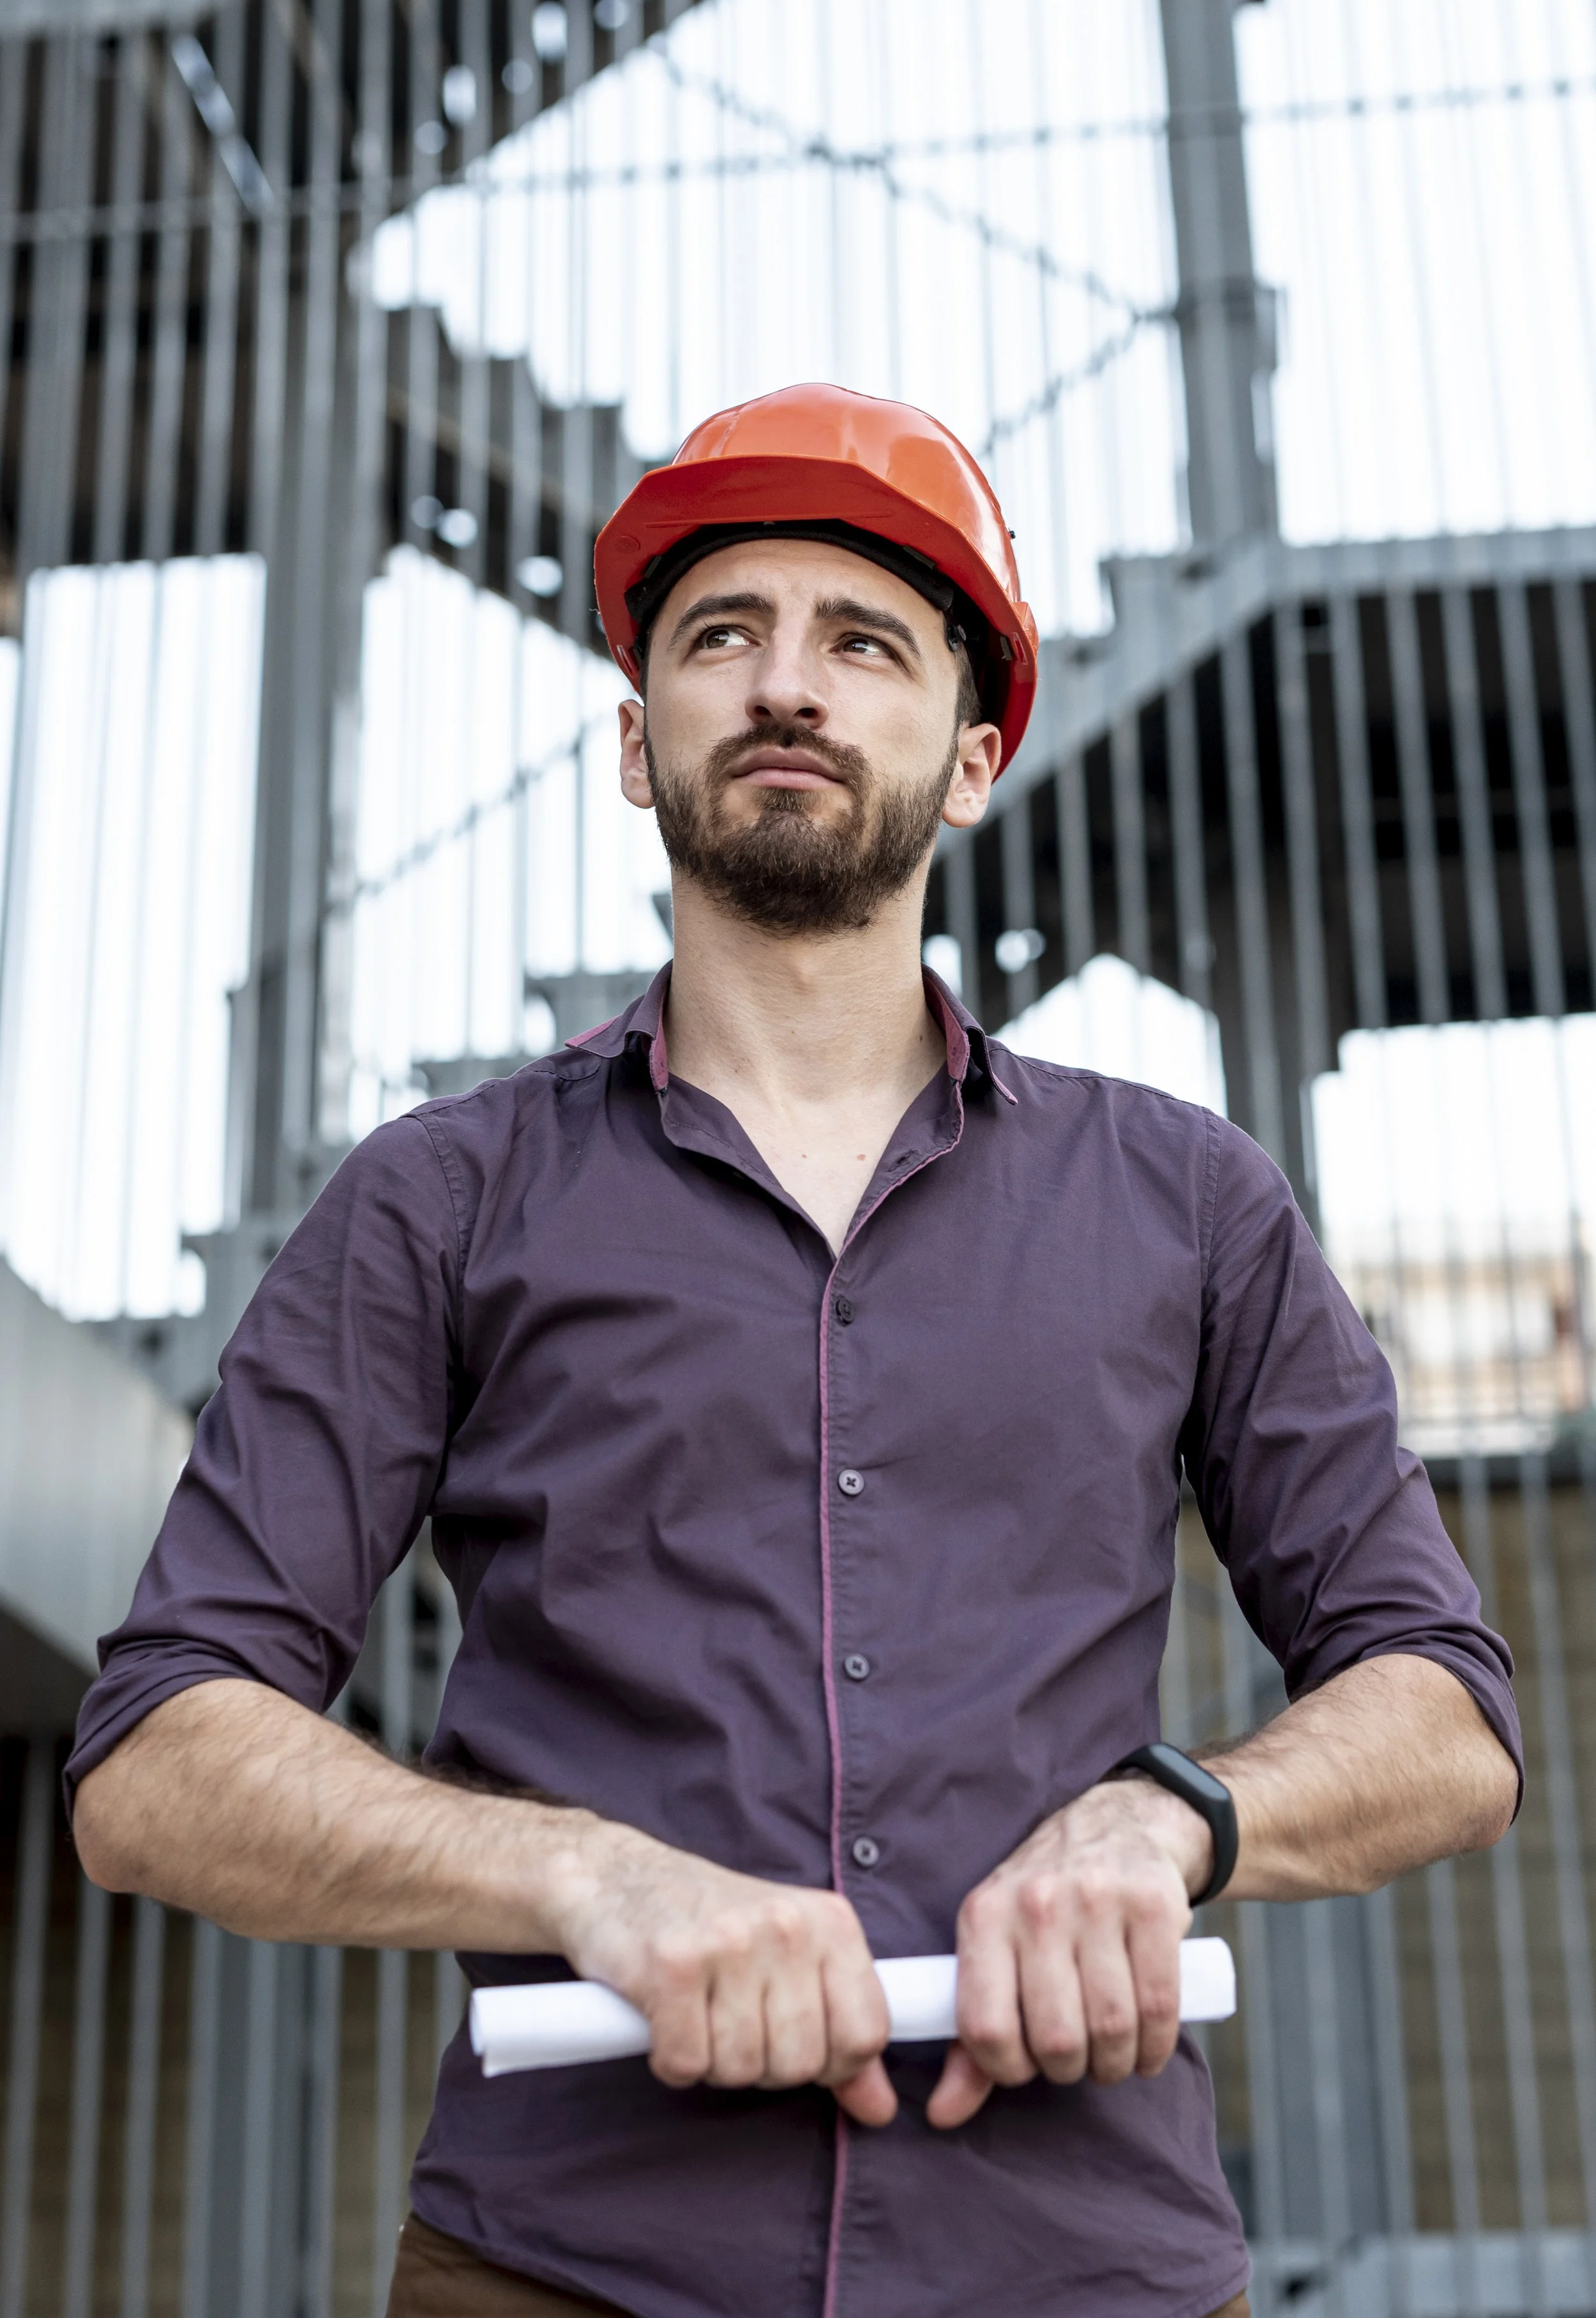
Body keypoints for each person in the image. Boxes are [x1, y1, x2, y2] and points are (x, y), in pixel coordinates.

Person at [70, 384, 1520, 2318]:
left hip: (1085, 2272)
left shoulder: (1186, 1200)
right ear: (632, 737)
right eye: (721, 636)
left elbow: (1439, 1703)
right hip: (560, 2274)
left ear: (976, 754)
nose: (788, 687)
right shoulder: (436, 1200)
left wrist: (1168, 1821)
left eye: (862, 643)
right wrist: (588, 1878)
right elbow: (158, 1758)